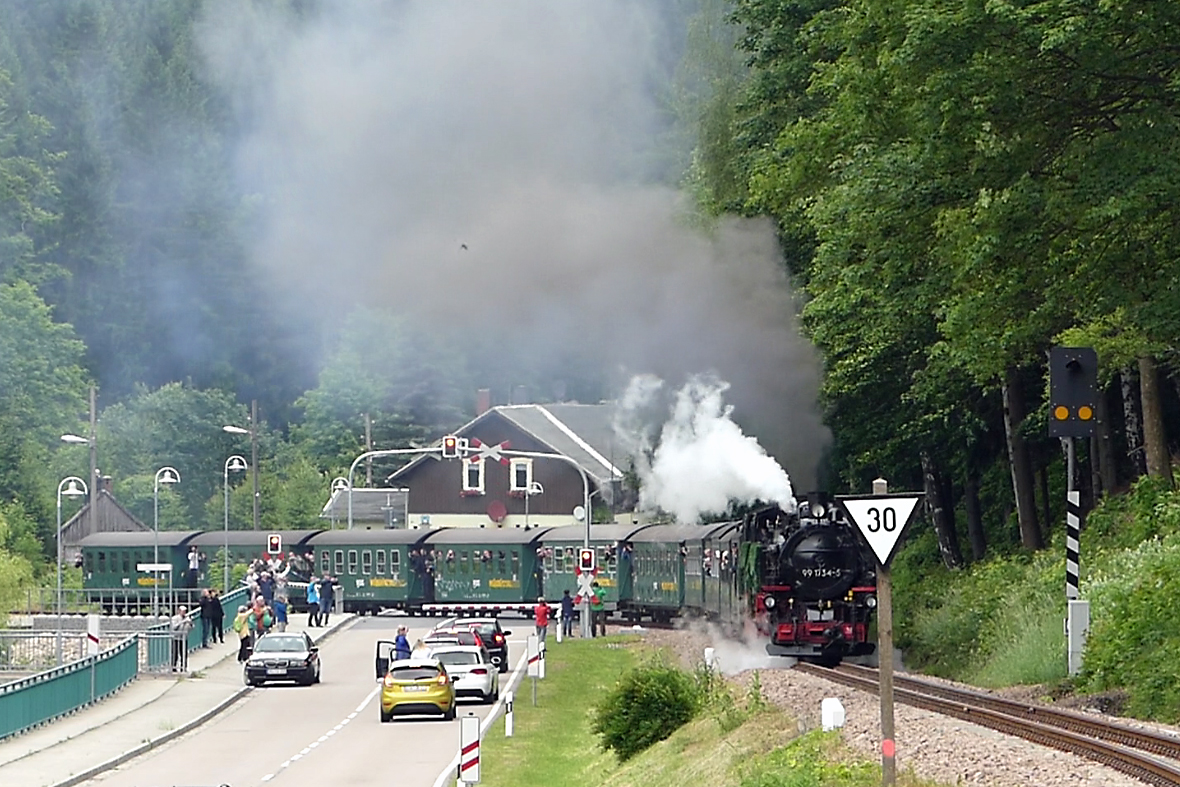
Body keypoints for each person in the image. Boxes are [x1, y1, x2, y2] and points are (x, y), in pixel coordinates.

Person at [170, 606, 193, 672]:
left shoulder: (187, 618)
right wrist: (182, 622)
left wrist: (190, 623)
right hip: (176, 638)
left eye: (185, 611)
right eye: (182, 611)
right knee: (175, 653)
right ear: (179, 611)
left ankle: (183, 667)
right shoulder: (175, 618)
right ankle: (173, 667)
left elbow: (192, 628)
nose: (184, 613)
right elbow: (174, 627)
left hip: (184, 638)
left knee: (184, 654)